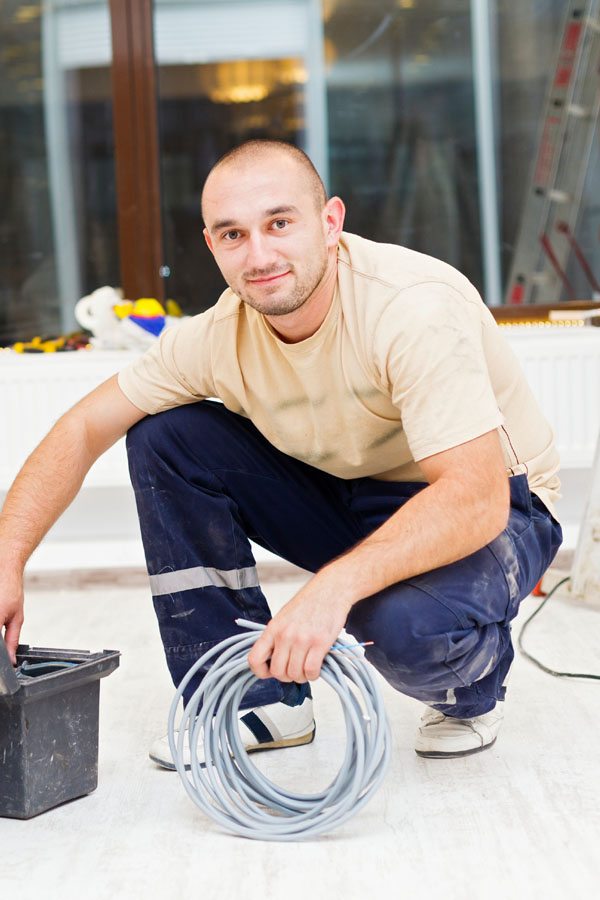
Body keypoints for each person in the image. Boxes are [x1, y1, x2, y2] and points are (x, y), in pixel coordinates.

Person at [0, 140, 562, 767]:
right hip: (350, 491)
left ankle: (471, 691)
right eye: (233, 234)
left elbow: (475, 496)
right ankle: (257, 701)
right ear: (212, 246)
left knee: (399, 626)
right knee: (165, 436)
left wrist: (332, 589)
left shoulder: (409, 308)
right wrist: (5, 559)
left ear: (330, 223)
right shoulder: (217, 336)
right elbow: (81, 429)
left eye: (279, 223)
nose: (259, 255)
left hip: (497, 505)